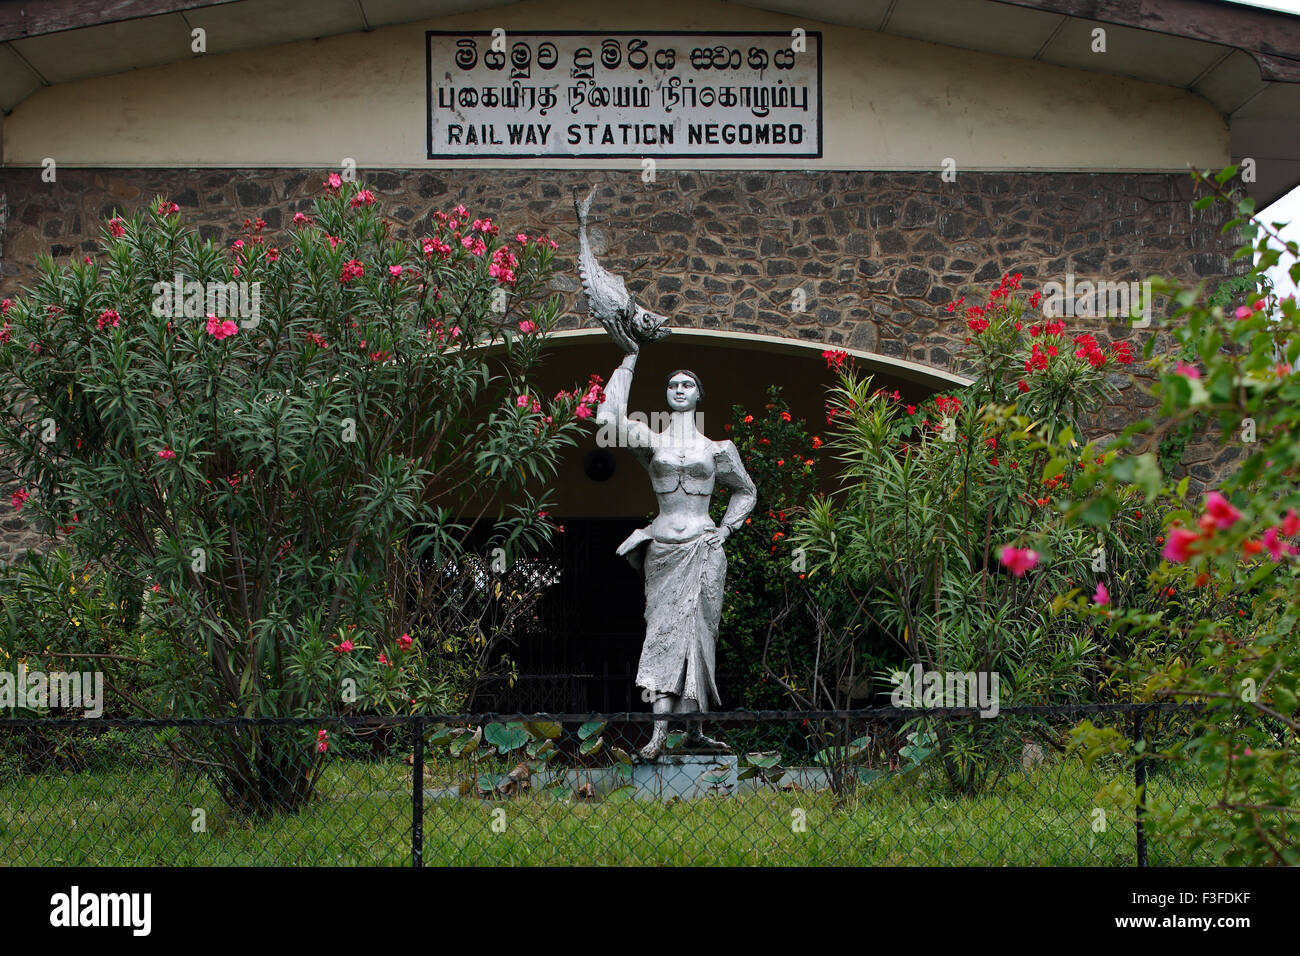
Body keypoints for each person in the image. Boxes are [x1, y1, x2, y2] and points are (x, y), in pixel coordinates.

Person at [595, 332, 757, 760]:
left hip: (704, 547)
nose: (679, 390)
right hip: (665, 548)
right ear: (666, 395)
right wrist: (630, 358)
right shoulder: (653, 442)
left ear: (699, 396)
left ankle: (694, 732)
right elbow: (607, 419)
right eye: (673, 385)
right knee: (662, 636)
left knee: (700, 637)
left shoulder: (718, 448)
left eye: (687, 385)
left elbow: (745, 491)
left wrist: (726, 529)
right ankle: (658, 733)